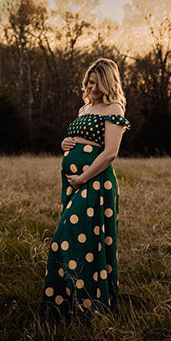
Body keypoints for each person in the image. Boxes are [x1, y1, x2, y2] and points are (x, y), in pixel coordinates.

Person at [41, 58, 130, 319]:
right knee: (72, 238)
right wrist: (65, 143)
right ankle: (66, 302)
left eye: (94, 82)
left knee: (73, 237)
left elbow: (110, 153)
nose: (89, 87)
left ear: (106, 82)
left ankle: (92, 304)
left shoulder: (114, 107)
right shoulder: (85, 108)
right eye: (88, 82)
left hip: (96, 182)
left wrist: (84, 178)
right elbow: (78, 140)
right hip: (73, 184)